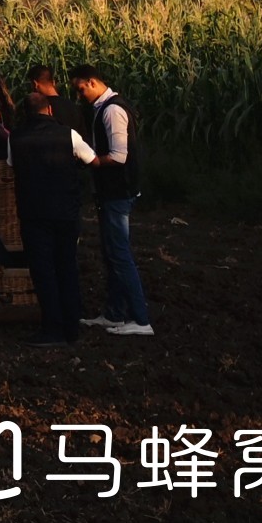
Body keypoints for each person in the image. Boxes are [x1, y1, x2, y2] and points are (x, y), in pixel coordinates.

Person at [70, 64, 153, 336]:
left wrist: (92, 160)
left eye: (81, 89)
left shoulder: (113, 111)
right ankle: (115, 314)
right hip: (111, 192)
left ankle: (140, 319)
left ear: (92, 82)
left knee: (119, 254)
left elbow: (119, 156)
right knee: (112, 254)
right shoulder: (104, 109)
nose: (79, 95)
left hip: (118, 192)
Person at [8, 92, 94, 347]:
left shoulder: (16, 137)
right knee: (66, 265)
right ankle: (72, 326)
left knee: (43, 271)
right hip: (65, 210)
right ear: (50, 111)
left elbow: (12, 165)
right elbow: (89, 158)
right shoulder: (68, 134)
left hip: (33, 212)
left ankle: (52, 328)